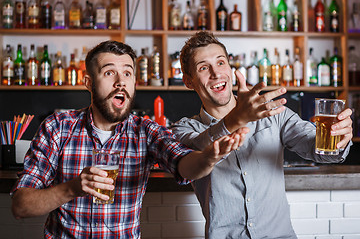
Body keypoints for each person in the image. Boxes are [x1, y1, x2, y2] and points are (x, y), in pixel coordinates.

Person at [10, 40, 248, 238]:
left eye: (127, 73)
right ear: (89, 83)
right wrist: (72, 188)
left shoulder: (145, 131)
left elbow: (184, 165)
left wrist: (208, 158)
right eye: (109, 72)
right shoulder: (57, 127)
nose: (120, 81)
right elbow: (20, 206)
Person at [171, 31, 353, 239]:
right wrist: (236, 120)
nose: (216, 73)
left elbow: (317, 149)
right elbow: (193, 158)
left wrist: (337, 138)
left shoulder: (272, 114)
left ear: (230, 69)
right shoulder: (184, 129)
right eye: (203, 67)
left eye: (221, 63)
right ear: (188, 81)